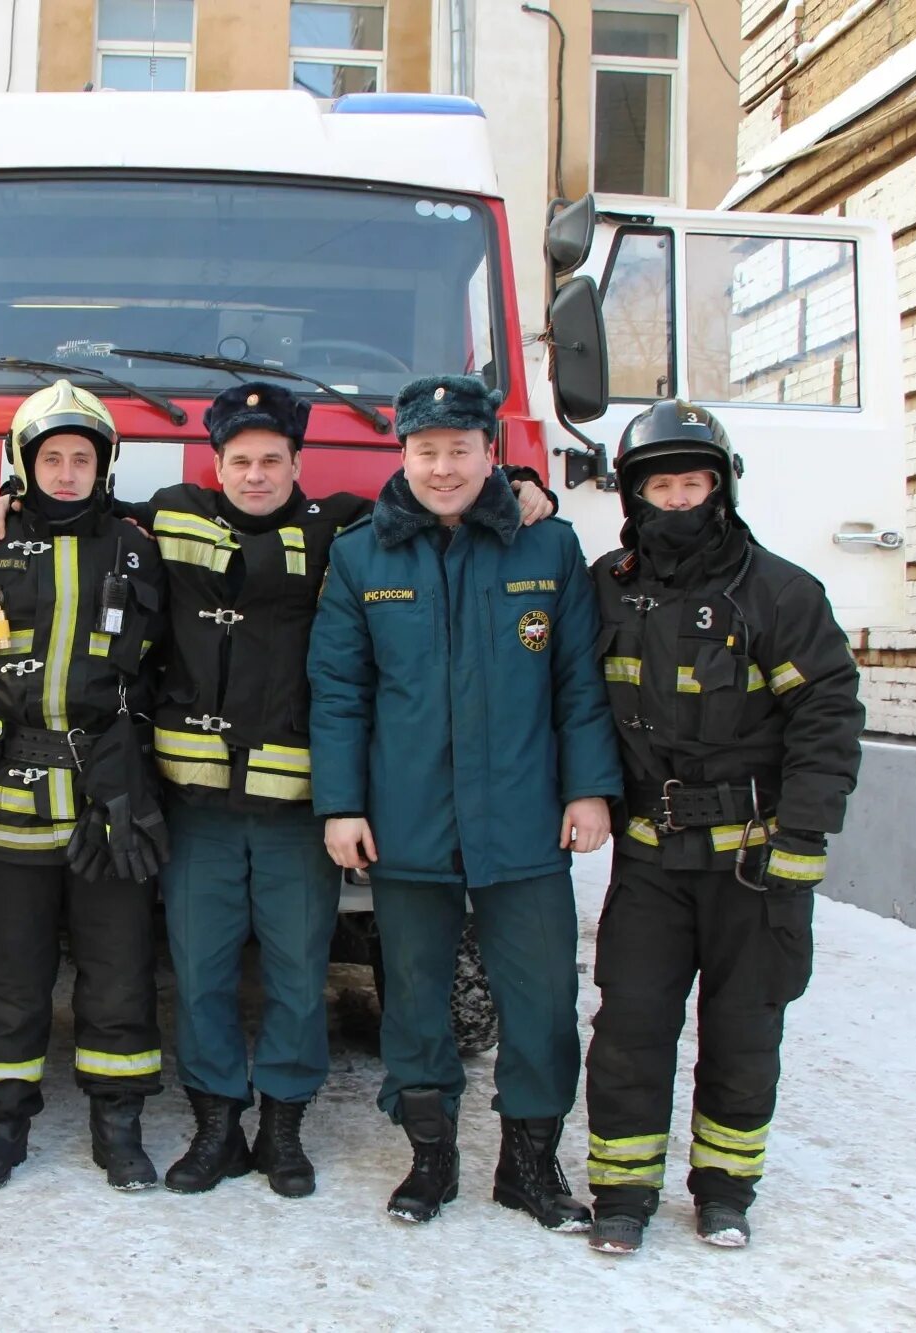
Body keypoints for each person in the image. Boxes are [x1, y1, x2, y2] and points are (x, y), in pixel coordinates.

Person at [0, 382, 553, 1198]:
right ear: (217, 464)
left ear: (296, 463)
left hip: (295, 809)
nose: (255, 475)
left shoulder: (346, 526)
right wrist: (10, 497)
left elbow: (436, 494)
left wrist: (525, 485)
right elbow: (76, 500)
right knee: (202, 970)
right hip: (196, 804)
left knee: (295, 973)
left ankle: (283, 1128)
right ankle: (217, 1126)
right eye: (240, 461)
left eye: (271, 460)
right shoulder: (169, 513)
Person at [307, 373, 622, 1228]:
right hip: (405, 823)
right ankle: (430, 1160)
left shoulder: (547, 548)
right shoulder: (360, 554)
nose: (442, 468)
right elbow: (339, 692)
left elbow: (577, 685)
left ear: (493, 453)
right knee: (412, 997)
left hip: (522, 819)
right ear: (402, 454)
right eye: (425, 451)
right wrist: (342, 805)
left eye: (460, 450)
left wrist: (590, 791)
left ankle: (529, 1164)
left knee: (543, 996)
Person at [580, 401, 862, 1255]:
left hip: (755, 863)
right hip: (651, 861)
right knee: (629, 1028)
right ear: (634, 495)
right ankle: (622, 1193)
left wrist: (803, 838)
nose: (678, 500)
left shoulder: (779, 592)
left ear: (723, 486)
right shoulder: (607, 588)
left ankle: (725, 1189)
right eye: (660, 485)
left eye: (693, 482)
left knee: (745, 1030)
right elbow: (571, 700)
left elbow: (827, 716)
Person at [0, 381, 169, 1190]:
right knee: (7, 970)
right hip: (7, 798)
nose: (68, 472)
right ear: (24, 465)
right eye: (52, 458)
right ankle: (0, 1123)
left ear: (105, 466)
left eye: (84, 458)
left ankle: (120, 1124)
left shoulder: (138, 544)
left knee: (118, 966)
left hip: (106, 798)